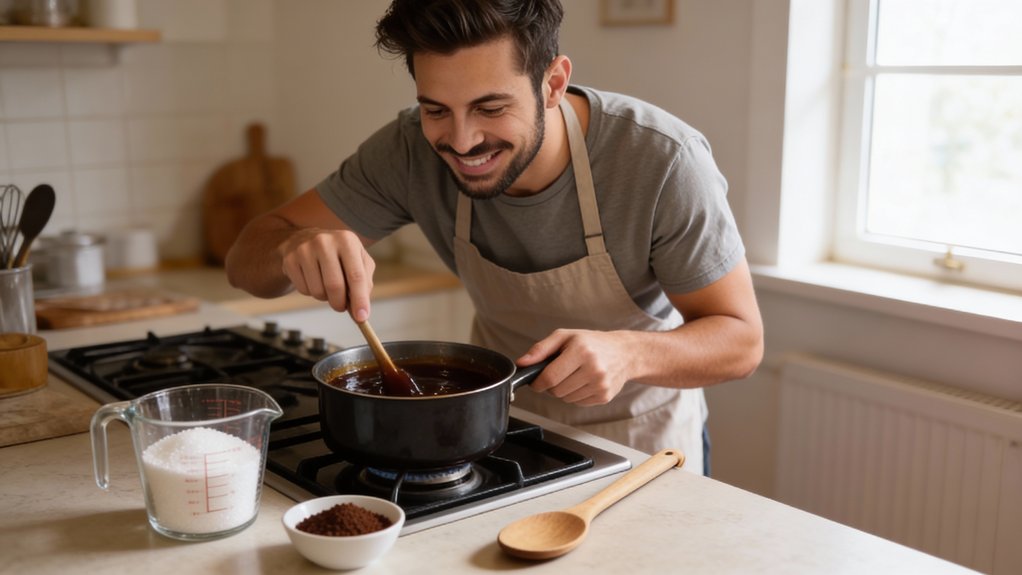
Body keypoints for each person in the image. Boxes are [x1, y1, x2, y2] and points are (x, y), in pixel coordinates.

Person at [225, 0, 763, 476]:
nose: (461, 141)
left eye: (490, 107)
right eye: (436, 109)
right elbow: (243, 262)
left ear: (553, 83)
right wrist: (289, 247)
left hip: (639, 441)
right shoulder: (408, 151)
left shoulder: (662, 159)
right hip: (497, 435)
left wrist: (627, 353)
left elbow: (741, 342)